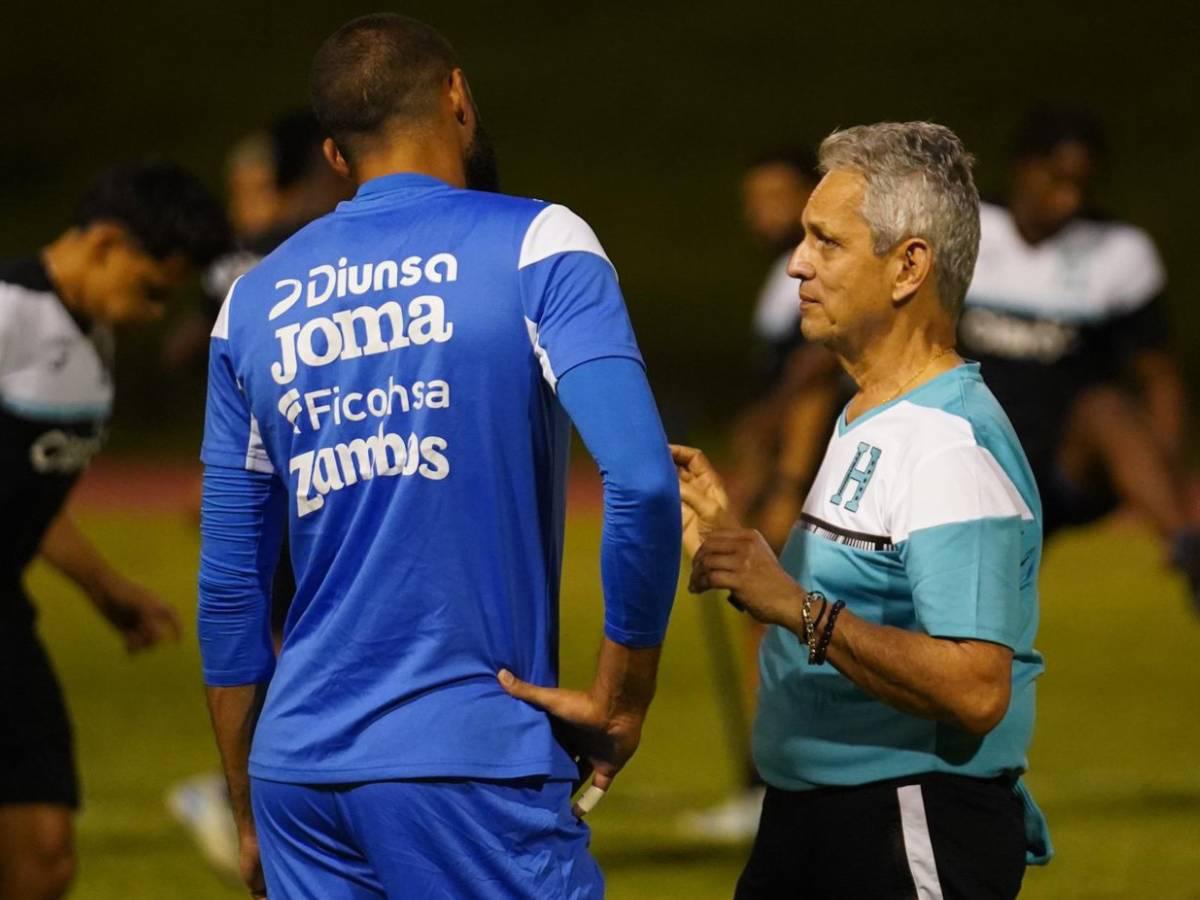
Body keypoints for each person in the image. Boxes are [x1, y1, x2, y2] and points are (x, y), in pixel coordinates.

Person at [197, 13, 679, 899]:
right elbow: (645, 483)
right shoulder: (540, 244)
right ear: (459, 95)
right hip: (470, 760)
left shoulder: (251, 302)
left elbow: (231, 588)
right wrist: (624, 692)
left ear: (335, 154)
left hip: (298, 776)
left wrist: (246, 809)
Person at [676, 122, 1050, 898]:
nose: (797, 262)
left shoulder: (946, 445)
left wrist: (796, 607)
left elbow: (975, 688)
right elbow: (857, 598)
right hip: (818, 815)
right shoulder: (869, 413)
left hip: (907, 822)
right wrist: (741, 553)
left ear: (908, 266)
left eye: (826, 241)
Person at [0, 162, 228, 899]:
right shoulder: (7, 314)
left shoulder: (91, 341)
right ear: (104, 244)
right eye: (151, 289)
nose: (154, 313)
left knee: (43, 854)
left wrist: (105, 589)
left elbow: (25, 496)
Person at [166, 111, 354, 882]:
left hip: (269, 476)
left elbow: (193, 348)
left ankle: (252, 790)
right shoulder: (316, 247)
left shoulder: (248, 261)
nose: (238, 199)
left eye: (246, 183)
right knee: (305, 636)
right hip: (312, 483)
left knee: (282, 633)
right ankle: (246, 791)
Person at [958, 104, 1200, 595]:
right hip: (968, 456)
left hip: (1063, 469)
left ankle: (1189, 550)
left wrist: (1163, 480)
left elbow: (1160, 379)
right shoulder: (962, 228)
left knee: (1105, 405)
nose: (1069, 199)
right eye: (1057, 180)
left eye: (1081, 186)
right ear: (1024, 167)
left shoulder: (1120, 253)